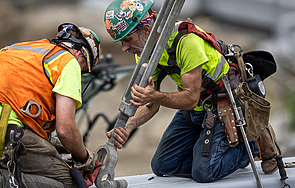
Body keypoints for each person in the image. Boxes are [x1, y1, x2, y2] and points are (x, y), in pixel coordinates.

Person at [104, 0, 281, 183]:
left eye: (127, 40)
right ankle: (215, 155)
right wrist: (129, 125)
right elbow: (151, 105)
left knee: (205, 173)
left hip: (223, 105)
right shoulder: (145, 51)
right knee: (163, 166)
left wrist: (155, 96)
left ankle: (253, 142)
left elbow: (190, 98)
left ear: (146, 31)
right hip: (196, 109)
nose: (124, 48)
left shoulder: (187, 41)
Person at [0, 23, 101, 187]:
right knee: (68, 182)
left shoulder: (21, 48)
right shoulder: (68, 62)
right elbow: (65, 130)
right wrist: (85, 158)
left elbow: (15, 103)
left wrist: (57, 146)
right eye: (84, 69)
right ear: (80, 54)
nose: (80, 72)